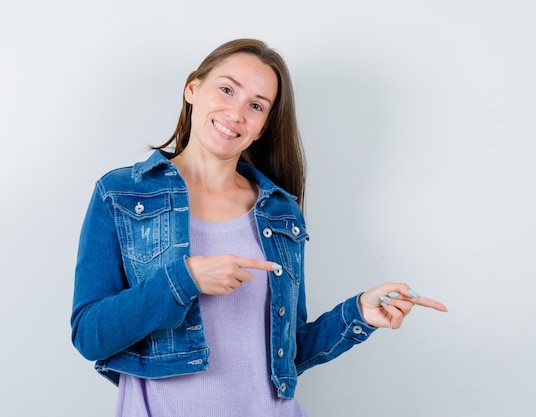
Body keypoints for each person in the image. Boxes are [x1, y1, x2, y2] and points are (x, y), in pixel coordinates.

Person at [71, 38, 447, 417]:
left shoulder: (281, 212)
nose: (236, 113)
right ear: (193, 89)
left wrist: (359, 314)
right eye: (226, 89)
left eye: (255, 105)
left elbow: (288, 352)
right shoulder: (120, 194)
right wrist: (184, 280)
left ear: (264, 125)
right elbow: (90, 335)